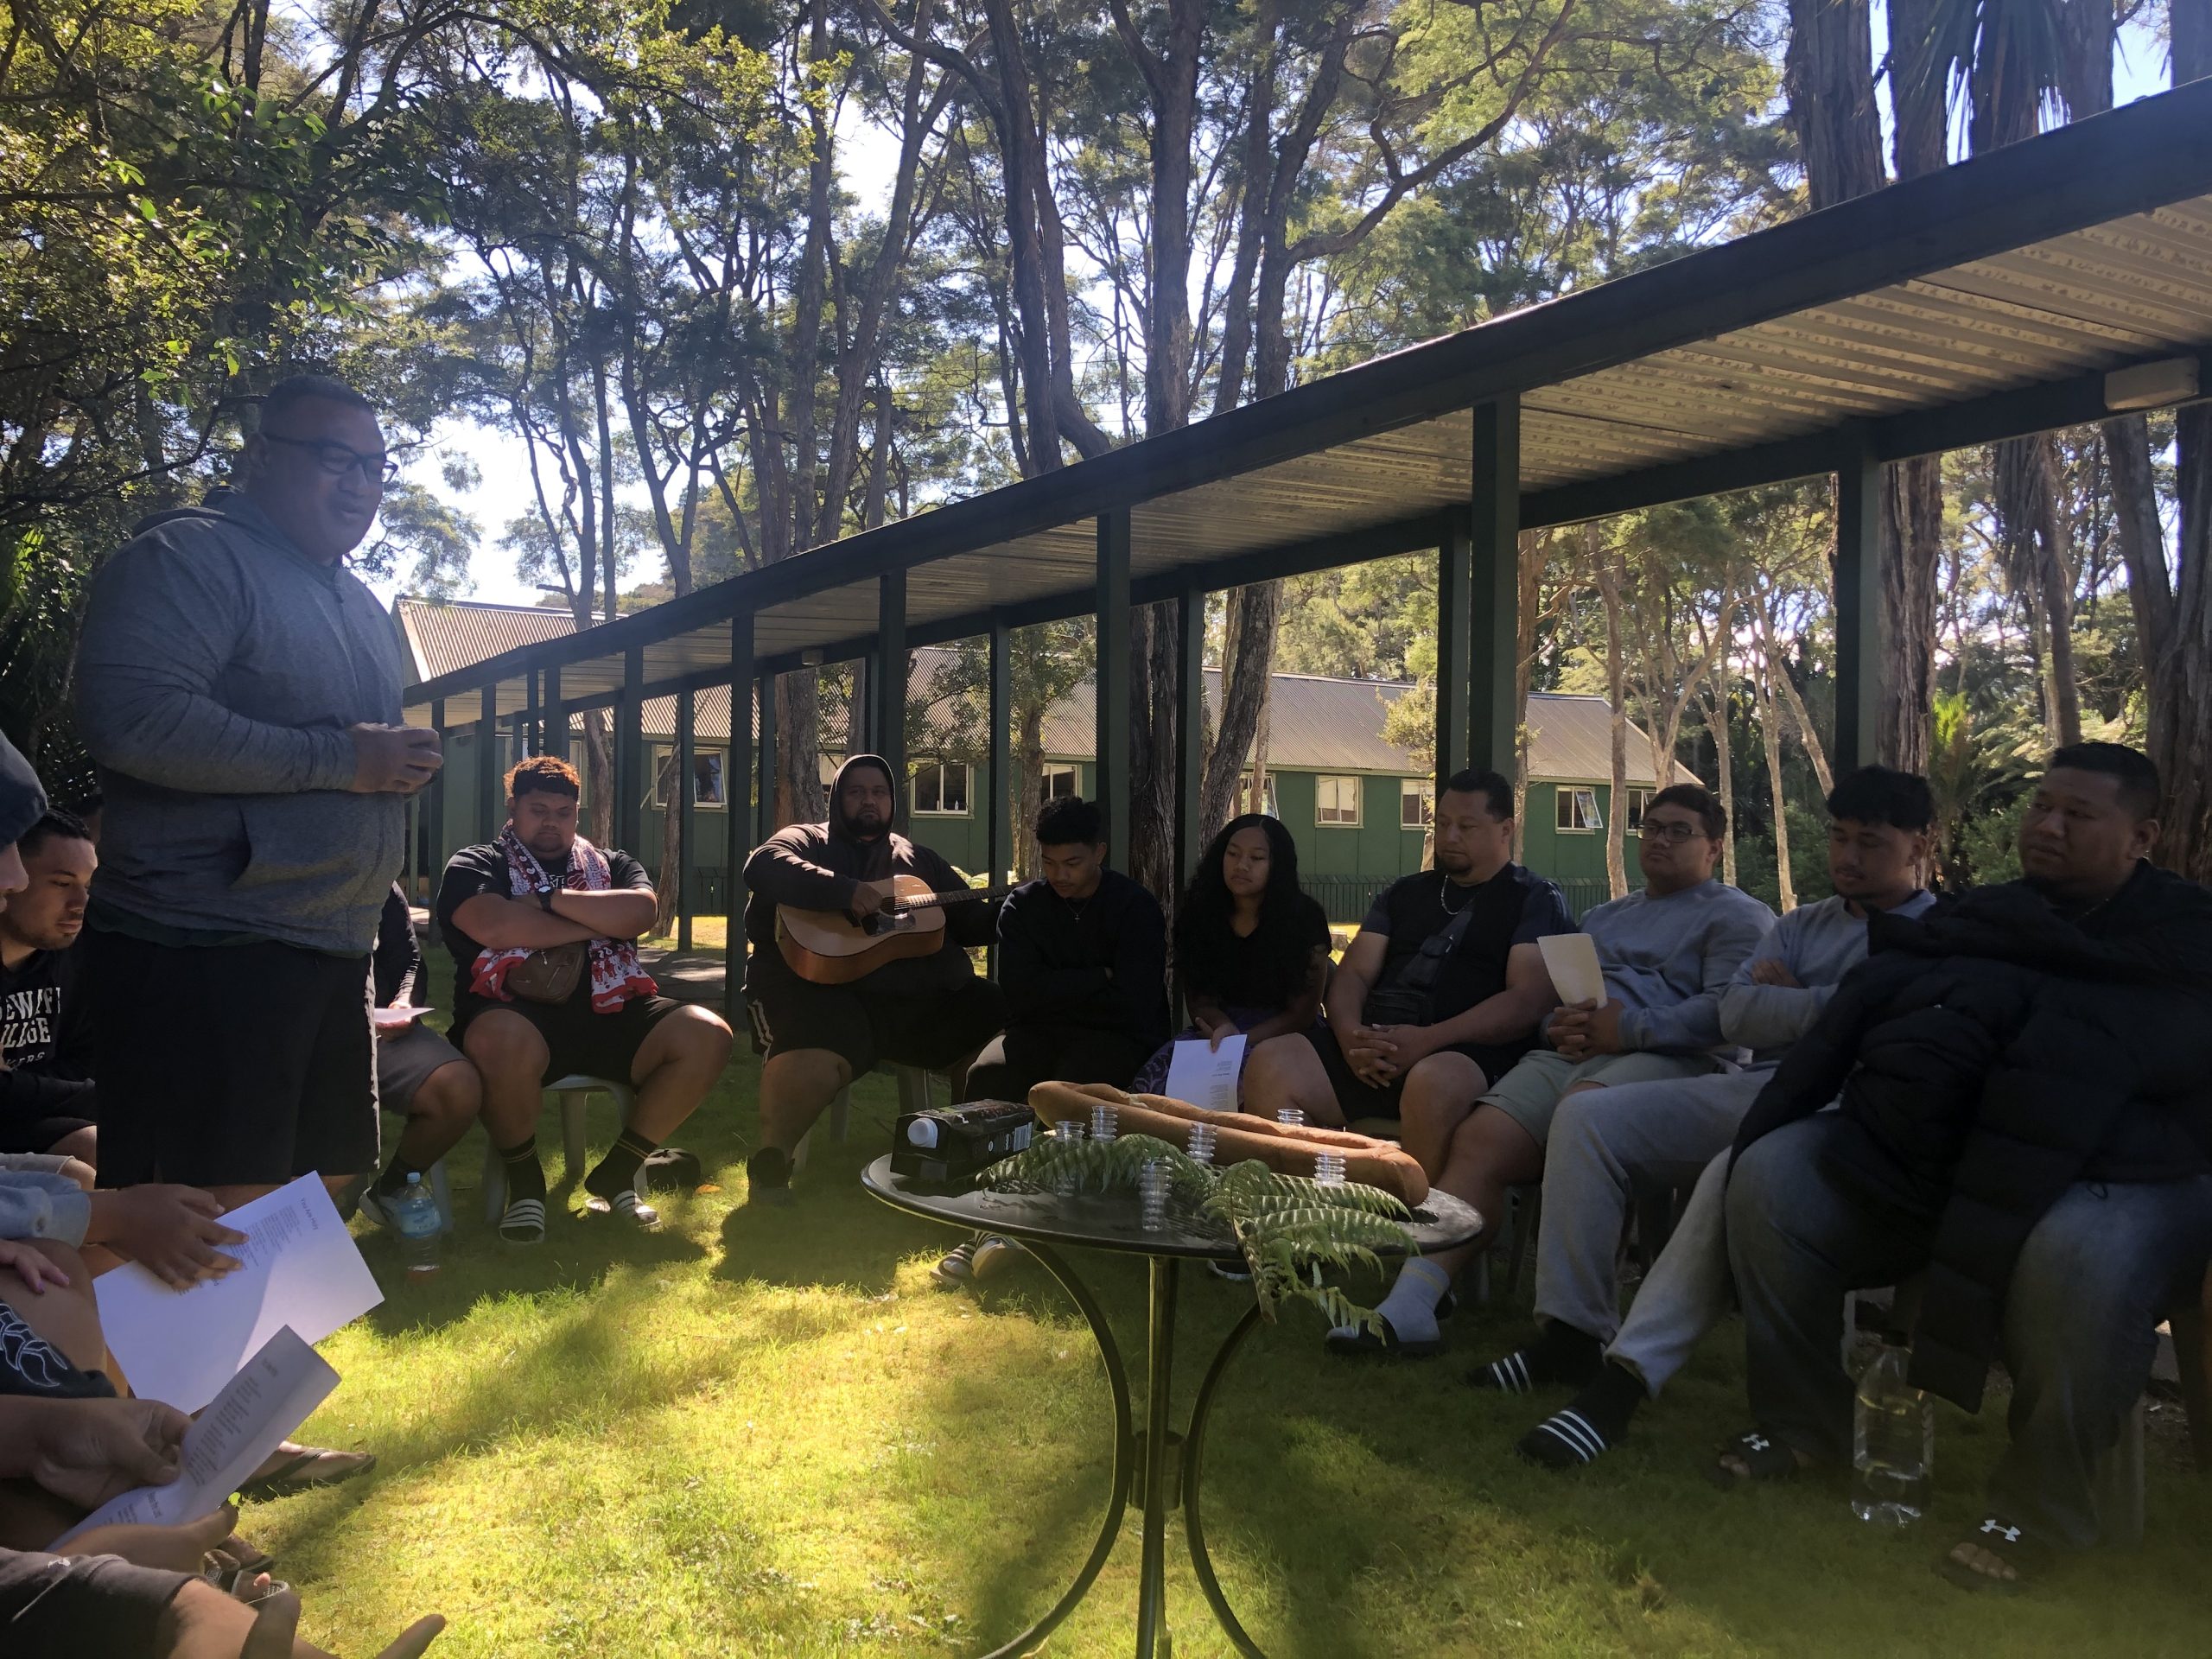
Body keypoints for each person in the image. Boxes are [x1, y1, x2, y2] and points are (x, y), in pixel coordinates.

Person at [1722, 743, 2212, 1591]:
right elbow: (1868, 1016)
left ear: (2143, 838)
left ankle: (2042, 1505)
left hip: (2133, 1174)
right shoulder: (1984, 917)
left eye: (2077, 814)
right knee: (1774, 1177)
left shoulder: (2187, 937)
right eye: (2041, 806)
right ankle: (1803, 1423)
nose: (2047, 827)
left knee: (2074, 1253)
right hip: (1946, 1160)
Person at [1471, 766, 1936, 1467]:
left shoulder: (1938, 933)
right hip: (1770, 1085)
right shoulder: (1802, 924)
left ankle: (1625, 1383)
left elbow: (1891, 1027)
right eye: (1839, 837)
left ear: (1919, 846)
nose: (1847, 856)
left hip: (1858, 1106)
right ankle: (1572, 1334)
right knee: (1588, 1118)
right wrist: (1839, 1005)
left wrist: (1801, 1003)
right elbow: (1740, 1013)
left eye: (1869, 842)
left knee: (1736, 1168)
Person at [73, 372, 441, 1211]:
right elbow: (134, 721)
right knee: (208, 1215)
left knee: (317, 1188)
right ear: (262, 456)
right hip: (202, 942)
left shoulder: (360, 602)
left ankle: (270, 1308)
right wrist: (346, 762)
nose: (360, 484)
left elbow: (356, 754)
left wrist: (390, 768)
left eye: (376, 466)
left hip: (332, 942)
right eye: (335, 458)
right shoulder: (185, 558)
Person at [1328, 781, 1772, 1357]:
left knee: (1580, 1115)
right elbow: (1554, 1000)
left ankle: (1575, 1330)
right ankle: (1413, 1304)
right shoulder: (1605, 917)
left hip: (1674, 1063)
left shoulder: (1737, 916)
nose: (1660, 840)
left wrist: (1629, 1029)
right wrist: (1556, 1027)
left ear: (1714, 847)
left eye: (1679, 831)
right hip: (1574, 1054)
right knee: (1480, 1141)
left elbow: (1728, 1014)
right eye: (1652, 827)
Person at [437, 756, 732, 1242]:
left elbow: (641, 913)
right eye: (538, 810)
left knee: (708, 1033)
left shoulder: (612, 864)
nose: (551, 822)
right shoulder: (478, 863)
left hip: (612, 1011)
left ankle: (618, 1173)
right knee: (496, 1038)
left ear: (577, 812)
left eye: (564, 812)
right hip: (516, 1014)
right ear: (512, 808)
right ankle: (526, 1187)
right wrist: (597, 923)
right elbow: (494, 925)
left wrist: (546, 901)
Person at [1241, 769, 1573, 1164]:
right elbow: (1354, 974)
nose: (1449, 836)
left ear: (1506, 830)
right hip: (1374, 1047)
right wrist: (1349, 1037)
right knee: (1270, 1062)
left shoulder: (1533, 897)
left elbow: (1527, 999)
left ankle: (1417, 1202)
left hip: (1466, 1052)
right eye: (1443, 823)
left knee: (1433, 1082)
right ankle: (1311, 1197)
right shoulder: (1404, 893)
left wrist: (1428, 1040)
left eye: (1466, 827)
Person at [741, 755, 1004, 1205]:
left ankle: (962, 1149)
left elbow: (973, 922)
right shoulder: (808, 840)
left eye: (879, 793)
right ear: (837, 798)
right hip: (822, 994)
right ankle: (773, 1163)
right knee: (809, 1040)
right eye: (856, 792)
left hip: (915, 1006)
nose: (869, 801)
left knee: (1000, 1012)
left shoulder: (918, 859)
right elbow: (762, 865)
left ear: (892, 801)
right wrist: (845, 891)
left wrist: (1024, 907)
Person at [966, 798, 1169, 1103]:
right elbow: (1019, 994)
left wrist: (1053, 988)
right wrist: (1098, 977)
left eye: (1072, 864)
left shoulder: (1134, 907)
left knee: (1076, 1080)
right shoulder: (1022, 907)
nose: (1059, 875)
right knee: (986, 1073)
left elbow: (1135, 1001)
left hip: (1118, 1037)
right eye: (1049, 863)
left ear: (1099, 852)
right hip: (1037, 1032)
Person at [1129, 813, 1330, 1097]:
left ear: (1278, 865)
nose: (1241, 865)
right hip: (1218, 1030)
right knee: (1152, 1087)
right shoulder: (1200, 913)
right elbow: (1199, 1000)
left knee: (1237, 1091)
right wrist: (1224, 1028)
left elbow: (1302, 1013)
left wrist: (1242, 1041)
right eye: (1232, 854)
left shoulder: (1305, 919)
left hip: (1285, 1034)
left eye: (1256, 858)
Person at [353, 887, 485, 1233]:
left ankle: (393, 1187)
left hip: (379, 1032)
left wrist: (404, 1002)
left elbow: (408, 961)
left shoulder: (377, 875)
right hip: (289, 1034)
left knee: (457, 1087)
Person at [0, 812, 99, 1162]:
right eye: (61, 883)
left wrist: (17, 1084)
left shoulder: (75, 958)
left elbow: (87, 1060)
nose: (80, 904)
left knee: (114, 1151)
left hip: (31, 1115)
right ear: (10, 878)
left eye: (87, 886)